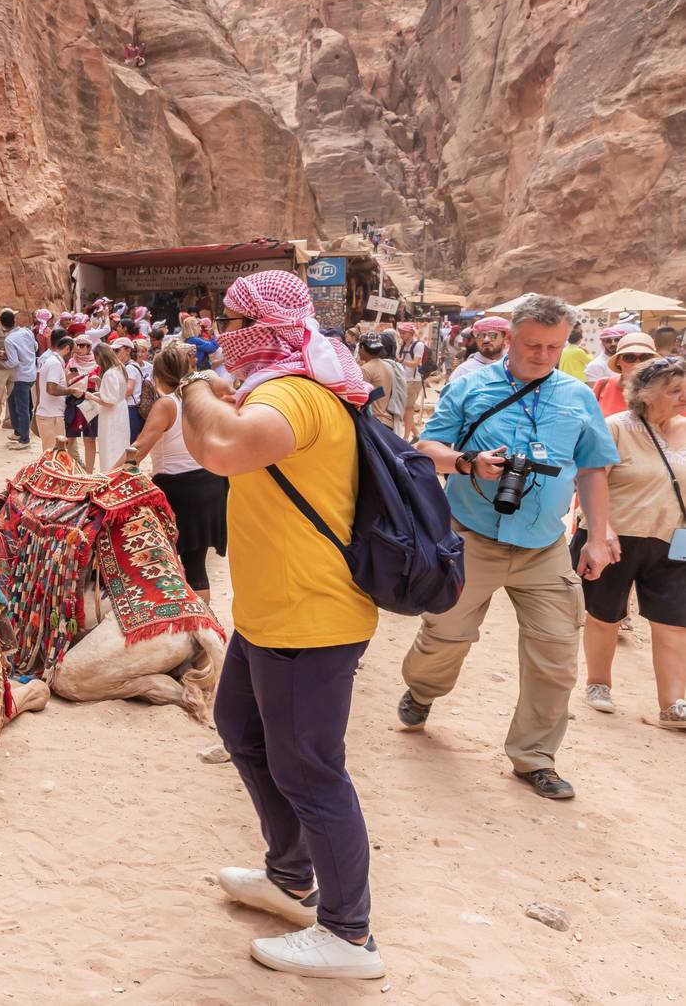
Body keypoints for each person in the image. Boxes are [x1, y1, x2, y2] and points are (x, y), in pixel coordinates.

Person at [175, 269, 384, 979]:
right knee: (240, 731)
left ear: (264, 325)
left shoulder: (291, 393)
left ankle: (349, 935)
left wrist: (193, 389)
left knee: (312, 773)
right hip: (273, 615)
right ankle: (291, 876)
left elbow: (222, 449)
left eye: (233, 320)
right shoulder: (280, 386)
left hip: (310, 618)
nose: (223, 332)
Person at [404, 294, 620, 801]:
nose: (542, 354)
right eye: (532, 345)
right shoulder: (470, 386)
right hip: (471, 538)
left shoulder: (577, 395)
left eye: (553, 346)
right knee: (446, 635)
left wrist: (595, 535)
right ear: (509, 339)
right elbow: (426, 450)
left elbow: (592, 468)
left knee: (555, 654)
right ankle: (422, 691)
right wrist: (467, 463)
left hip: (545, 545)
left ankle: (535, 756)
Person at [577, 357, 686, 728]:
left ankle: (673, 704)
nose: (683, 396)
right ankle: (598, 684)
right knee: (606, 615)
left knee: (674, 621)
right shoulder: (617, 428)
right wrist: (600, 528)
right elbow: (593, 479)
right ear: (646, 394)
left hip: (674, 539)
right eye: (674, 391)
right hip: (616, 537)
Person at [129, 342, 228, 603]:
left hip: (179, 490)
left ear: (159, 376)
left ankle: (190, 626)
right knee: (195, 565)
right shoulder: (205, 399)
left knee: (168, 563)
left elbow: (139, 447)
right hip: (211, 483)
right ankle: (202, 629)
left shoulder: (166, 404)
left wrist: (109, 477)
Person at [591, 331, 658, 416]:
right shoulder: (603, 385)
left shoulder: (662, 389)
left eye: (645, 357)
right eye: (629, 357)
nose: (637, 363)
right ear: (618, 361)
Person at [88, 341, 129, 473]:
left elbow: (109, 402)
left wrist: (91, 397)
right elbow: (113, 393)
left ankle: (110, 474)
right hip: (121, 411)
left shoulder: (110, 373)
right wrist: (100, 384)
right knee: (120, 444)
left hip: (111, 415)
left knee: (110, 445)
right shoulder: (120, 369)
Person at [1, 309, 36, 449]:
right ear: (14, 321)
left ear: (2, 325)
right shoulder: (27, 331)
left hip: (22, 376)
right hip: (31, 372)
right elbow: (35, 346)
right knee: (12, 400)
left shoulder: (9, 339)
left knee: (22, 408)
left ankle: (25, 439)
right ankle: (18, 431)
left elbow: (14, 362)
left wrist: (3, 362)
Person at [63, 334, 100, 468]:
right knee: (70, 437)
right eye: (77, 345)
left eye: (83, 345)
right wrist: (70, 377)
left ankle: (89, 471)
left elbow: (102, 386)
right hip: (74, 400)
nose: (80, 348)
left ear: (89, 347)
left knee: (90, 438)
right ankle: (68, 467)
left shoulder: (96, 363)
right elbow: (65, 382)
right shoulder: (71, 362)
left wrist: (97, 381)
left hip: (91, 401)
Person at [35, 331, 75, 453]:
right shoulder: (55, 364)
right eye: (72, 353)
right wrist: (72, 390)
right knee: (53, 457)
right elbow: (51, 389)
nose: (72, 356)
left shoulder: (53, 361)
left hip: (50, 415)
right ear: (67, 349)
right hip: (51, 417)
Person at [446, 316, 507, 384]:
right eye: (480, 336)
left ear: (505, 337)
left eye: (492, 335)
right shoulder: (464, 371)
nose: (486, 340)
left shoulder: (513, 367)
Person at [357, 334, 396, 428]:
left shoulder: (366, 369)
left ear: (362, 347)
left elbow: (360, 400)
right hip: (387, 421)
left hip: (373, 422)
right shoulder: (388, 366)